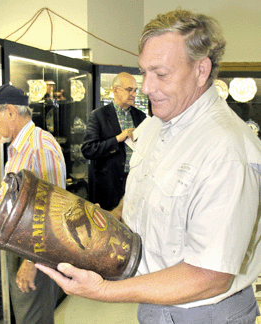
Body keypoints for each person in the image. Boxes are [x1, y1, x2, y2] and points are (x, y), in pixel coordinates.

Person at [36, 9, 261, 324]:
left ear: (201, 69)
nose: (145, 87)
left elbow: (210, 276)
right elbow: (142, 198)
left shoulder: (227, 149)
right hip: (157, 304)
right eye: (144, 72)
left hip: (205, 313)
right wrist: (102, 224)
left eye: (161, 73)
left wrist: (102, 291)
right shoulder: (155, 127)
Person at [0, 84, 66, 324]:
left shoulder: (39, 147)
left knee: (33, 319)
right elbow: (9, 197)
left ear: (10, 111)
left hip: (33, 252)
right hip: (22, 248)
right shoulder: (19, 149)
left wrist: (32, 261)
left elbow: (51, 212)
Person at [81, 72, 146, 210]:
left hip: (136, 184)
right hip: (108, 187)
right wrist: (118, 139)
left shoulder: (141, 116)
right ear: (115, 90)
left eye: (135, 90)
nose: (134, 94)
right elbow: (88, 150)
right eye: (129, 90)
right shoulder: (98, 116)